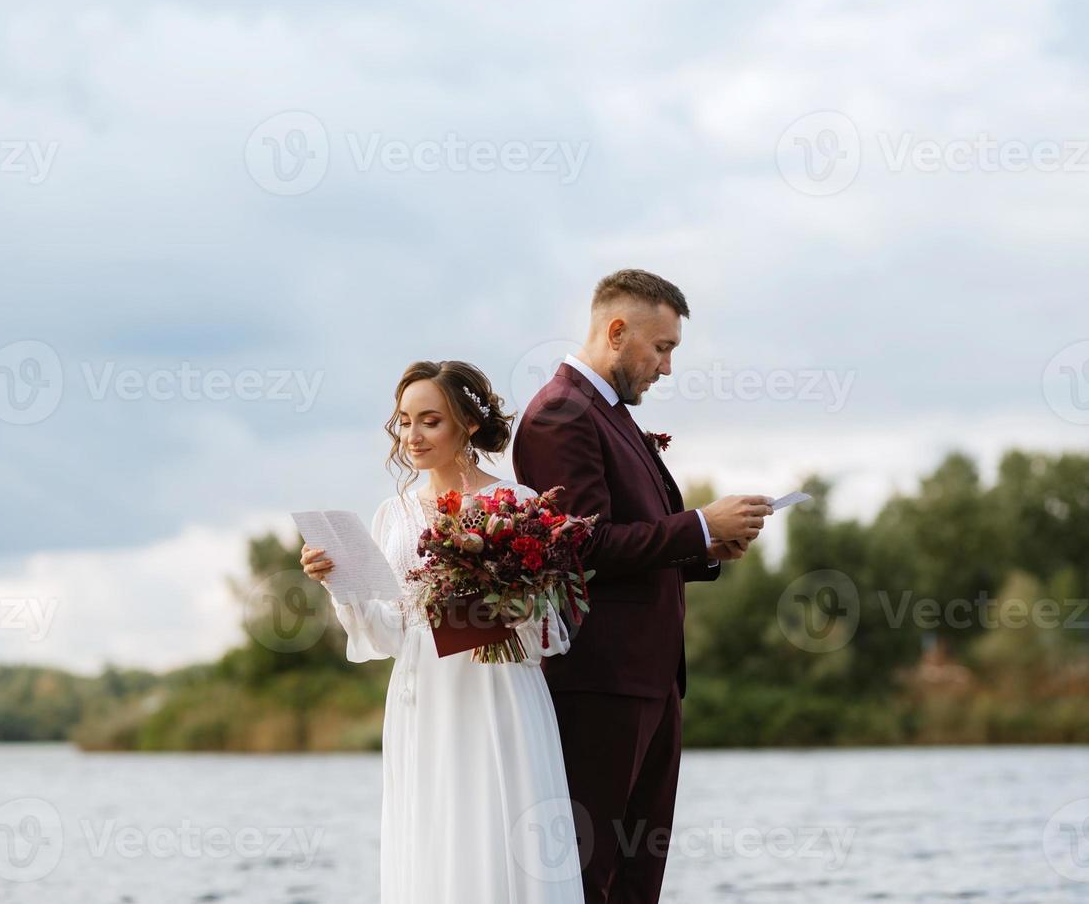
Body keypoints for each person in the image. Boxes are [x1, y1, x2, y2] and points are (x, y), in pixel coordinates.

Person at [513, 268, 772, 903]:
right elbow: (583, 546)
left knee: (638, 877)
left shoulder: (610, 414)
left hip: (650, 680)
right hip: (601, 680)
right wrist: (697, 525)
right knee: (590, 872)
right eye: (663, 348)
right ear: (617, 330)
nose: (667, 367)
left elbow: (635, 535)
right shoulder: (559, 415)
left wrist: (707, 548)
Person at [300, 359, 584, 904]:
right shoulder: (394, 514)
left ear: (468, 425)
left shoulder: (519, 505)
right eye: (404, 421)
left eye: (430, 420)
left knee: (499, 832)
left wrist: (504, 594)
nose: (412, 435)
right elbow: (389, 635)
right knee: (431, 839)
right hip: (421, 697)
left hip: (498, 692)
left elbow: (548, 631)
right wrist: (340, 584)